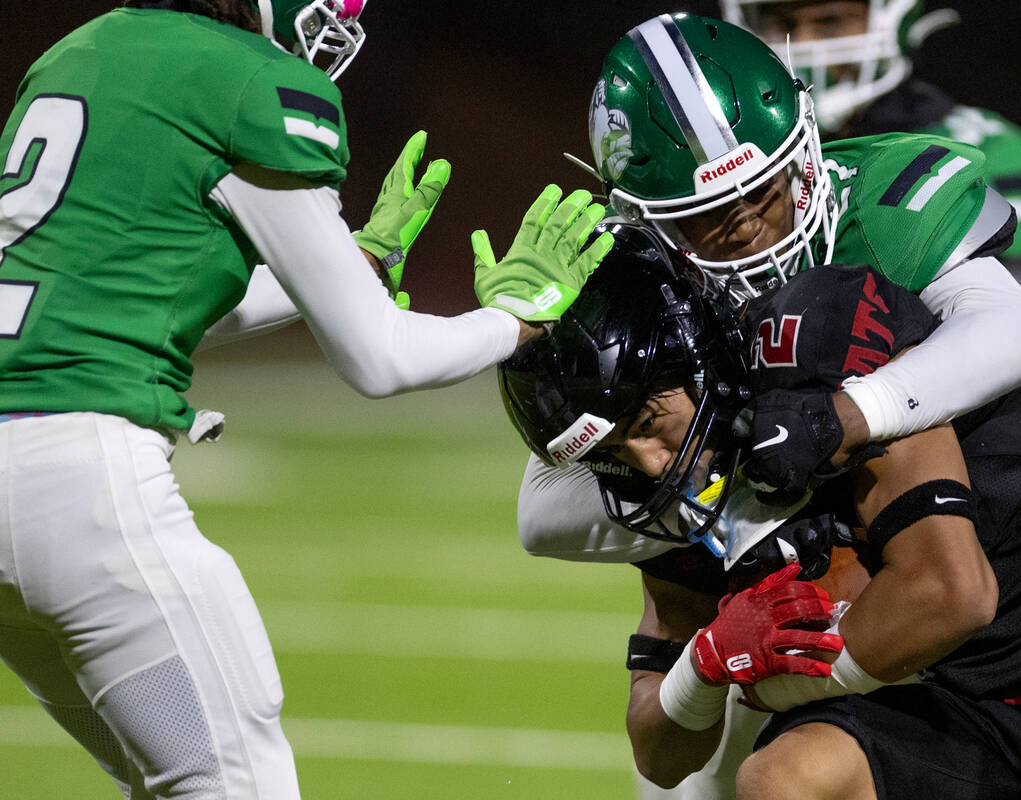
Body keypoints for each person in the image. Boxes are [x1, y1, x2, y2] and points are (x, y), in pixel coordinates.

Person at [0, 1, 611, 797]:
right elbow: (379, 359)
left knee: (171, 783)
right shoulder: (249, 79)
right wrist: (512, 320)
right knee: (237, 784)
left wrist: (349, 263)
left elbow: (141, 301)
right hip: (82, 502)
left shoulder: (81, 50)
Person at [526, 13, 1021, 795]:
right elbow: (541, 512)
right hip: (777, 591)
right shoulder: (648, 288)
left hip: (942, 542)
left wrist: (838, 419)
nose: (744, 227)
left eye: (760, 191)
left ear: (803, 149)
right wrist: (733, 485)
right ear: (643, 218)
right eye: (701, 215)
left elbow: (1017, 329)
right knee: (691, 778)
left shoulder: (876, 204)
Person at [498, 222, 1021, 798]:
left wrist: (772, 687)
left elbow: (950, 594)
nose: (651, 463)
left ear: (690, 357)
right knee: (781, 781)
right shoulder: (672, 485)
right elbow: (658, 750)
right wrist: (704, 667)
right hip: (963, 713)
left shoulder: (823, 349)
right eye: (614, 450)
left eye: (647, 420)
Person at [719, 0, 1021, 290]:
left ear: (895, 20)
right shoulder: (729, 149)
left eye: (829, 21)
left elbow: (991, 327)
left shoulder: (974, 146)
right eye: (781, 24)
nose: (800, 42)